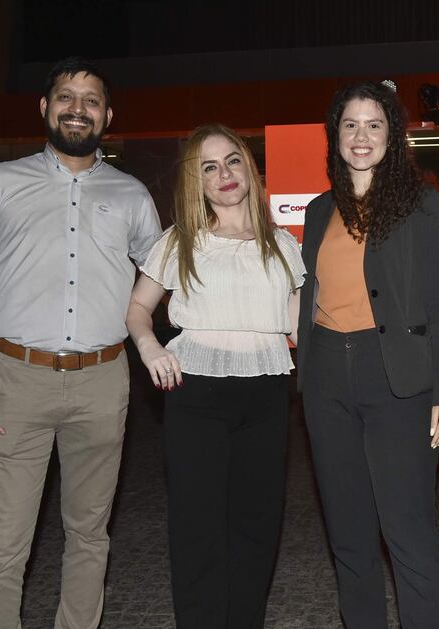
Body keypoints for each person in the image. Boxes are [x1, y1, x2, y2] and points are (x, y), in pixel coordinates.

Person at [0, 56, 162, 628]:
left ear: (107, 116)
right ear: (45, 108)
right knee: (3, 545)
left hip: (103, 380)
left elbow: (163, 272)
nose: (77, 109)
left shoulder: (133, 194)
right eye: (66, 97)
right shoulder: (0, 183)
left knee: (89, 534)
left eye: (91, 100)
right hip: (16, 380)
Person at [296, 82, 439, 629]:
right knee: (348, 534)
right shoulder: (320, 210)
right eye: (350, 125)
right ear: (335, 136)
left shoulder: (419, 204)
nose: (361, 136)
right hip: (326, 378)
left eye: (374, 125)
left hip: (397, 380)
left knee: (409, 530)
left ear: (392, 135)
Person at [125, 123, 305, 629]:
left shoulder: (283, 245)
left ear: (249, 166)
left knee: (257, 526)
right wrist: (150, 346)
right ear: (197, 182)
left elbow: (299, 326)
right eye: (210, 166)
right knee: (198, 529)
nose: (224, 174)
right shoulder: (180, 242)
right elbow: (137, 310)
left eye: (232, 160)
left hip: (267, 393)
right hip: (194, 392)